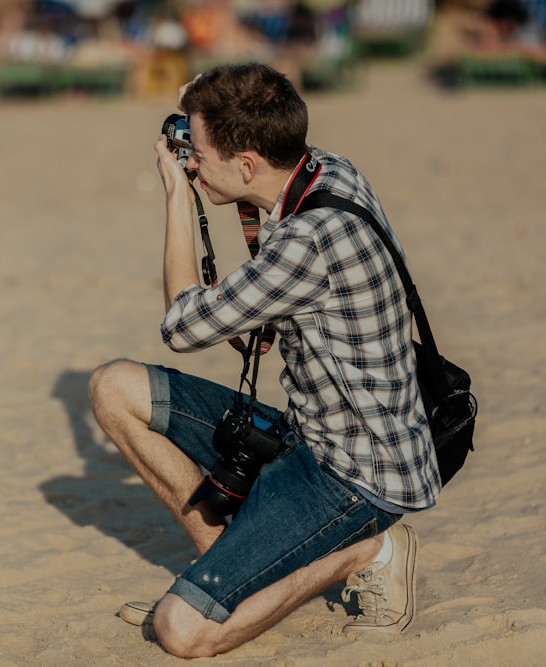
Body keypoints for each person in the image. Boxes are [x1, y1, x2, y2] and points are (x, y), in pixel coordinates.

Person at [87, 62, 440, 658]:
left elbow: (181, 325)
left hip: (355, 476)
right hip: (314, 433)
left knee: (181, 632)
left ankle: (367, 552)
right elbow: (249, 122)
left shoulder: (308, 242)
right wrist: (205, 102)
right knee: (113, 387)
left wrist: (178, 196)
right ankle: (229, 567)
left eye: (196, 151)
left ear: (246, 162)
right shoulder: (324, 170)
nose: (190, 160)